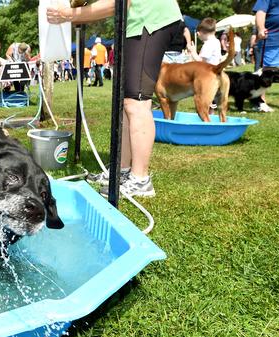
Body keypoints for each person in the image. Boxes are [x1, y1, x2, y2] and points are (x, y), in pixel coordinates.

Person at [48, 0, 183, 197]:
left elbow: (117, 4)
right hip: (137, 22)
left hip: (150, 18)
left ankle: (141, 180)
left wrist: (69, 14)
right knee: (127, 102)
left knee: (137, 101)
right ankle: (123, 170)